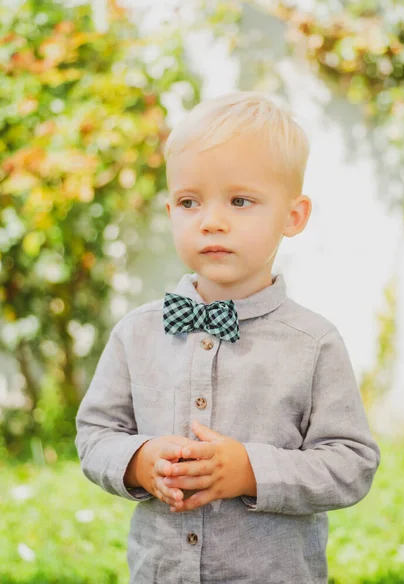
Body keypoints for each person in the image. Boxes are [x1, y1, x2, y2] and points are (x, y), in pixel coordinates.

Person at [75, 90, 381, 584]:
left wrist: (250, 471)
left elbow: (352, 463)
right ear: (169, 209)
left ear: (293, 216)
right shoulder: (137, 333)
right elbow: (95, 435)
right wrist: (138, 462)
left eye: (240, 200)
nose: (211, 220)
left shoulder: (313, 343)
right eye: (189, 201)